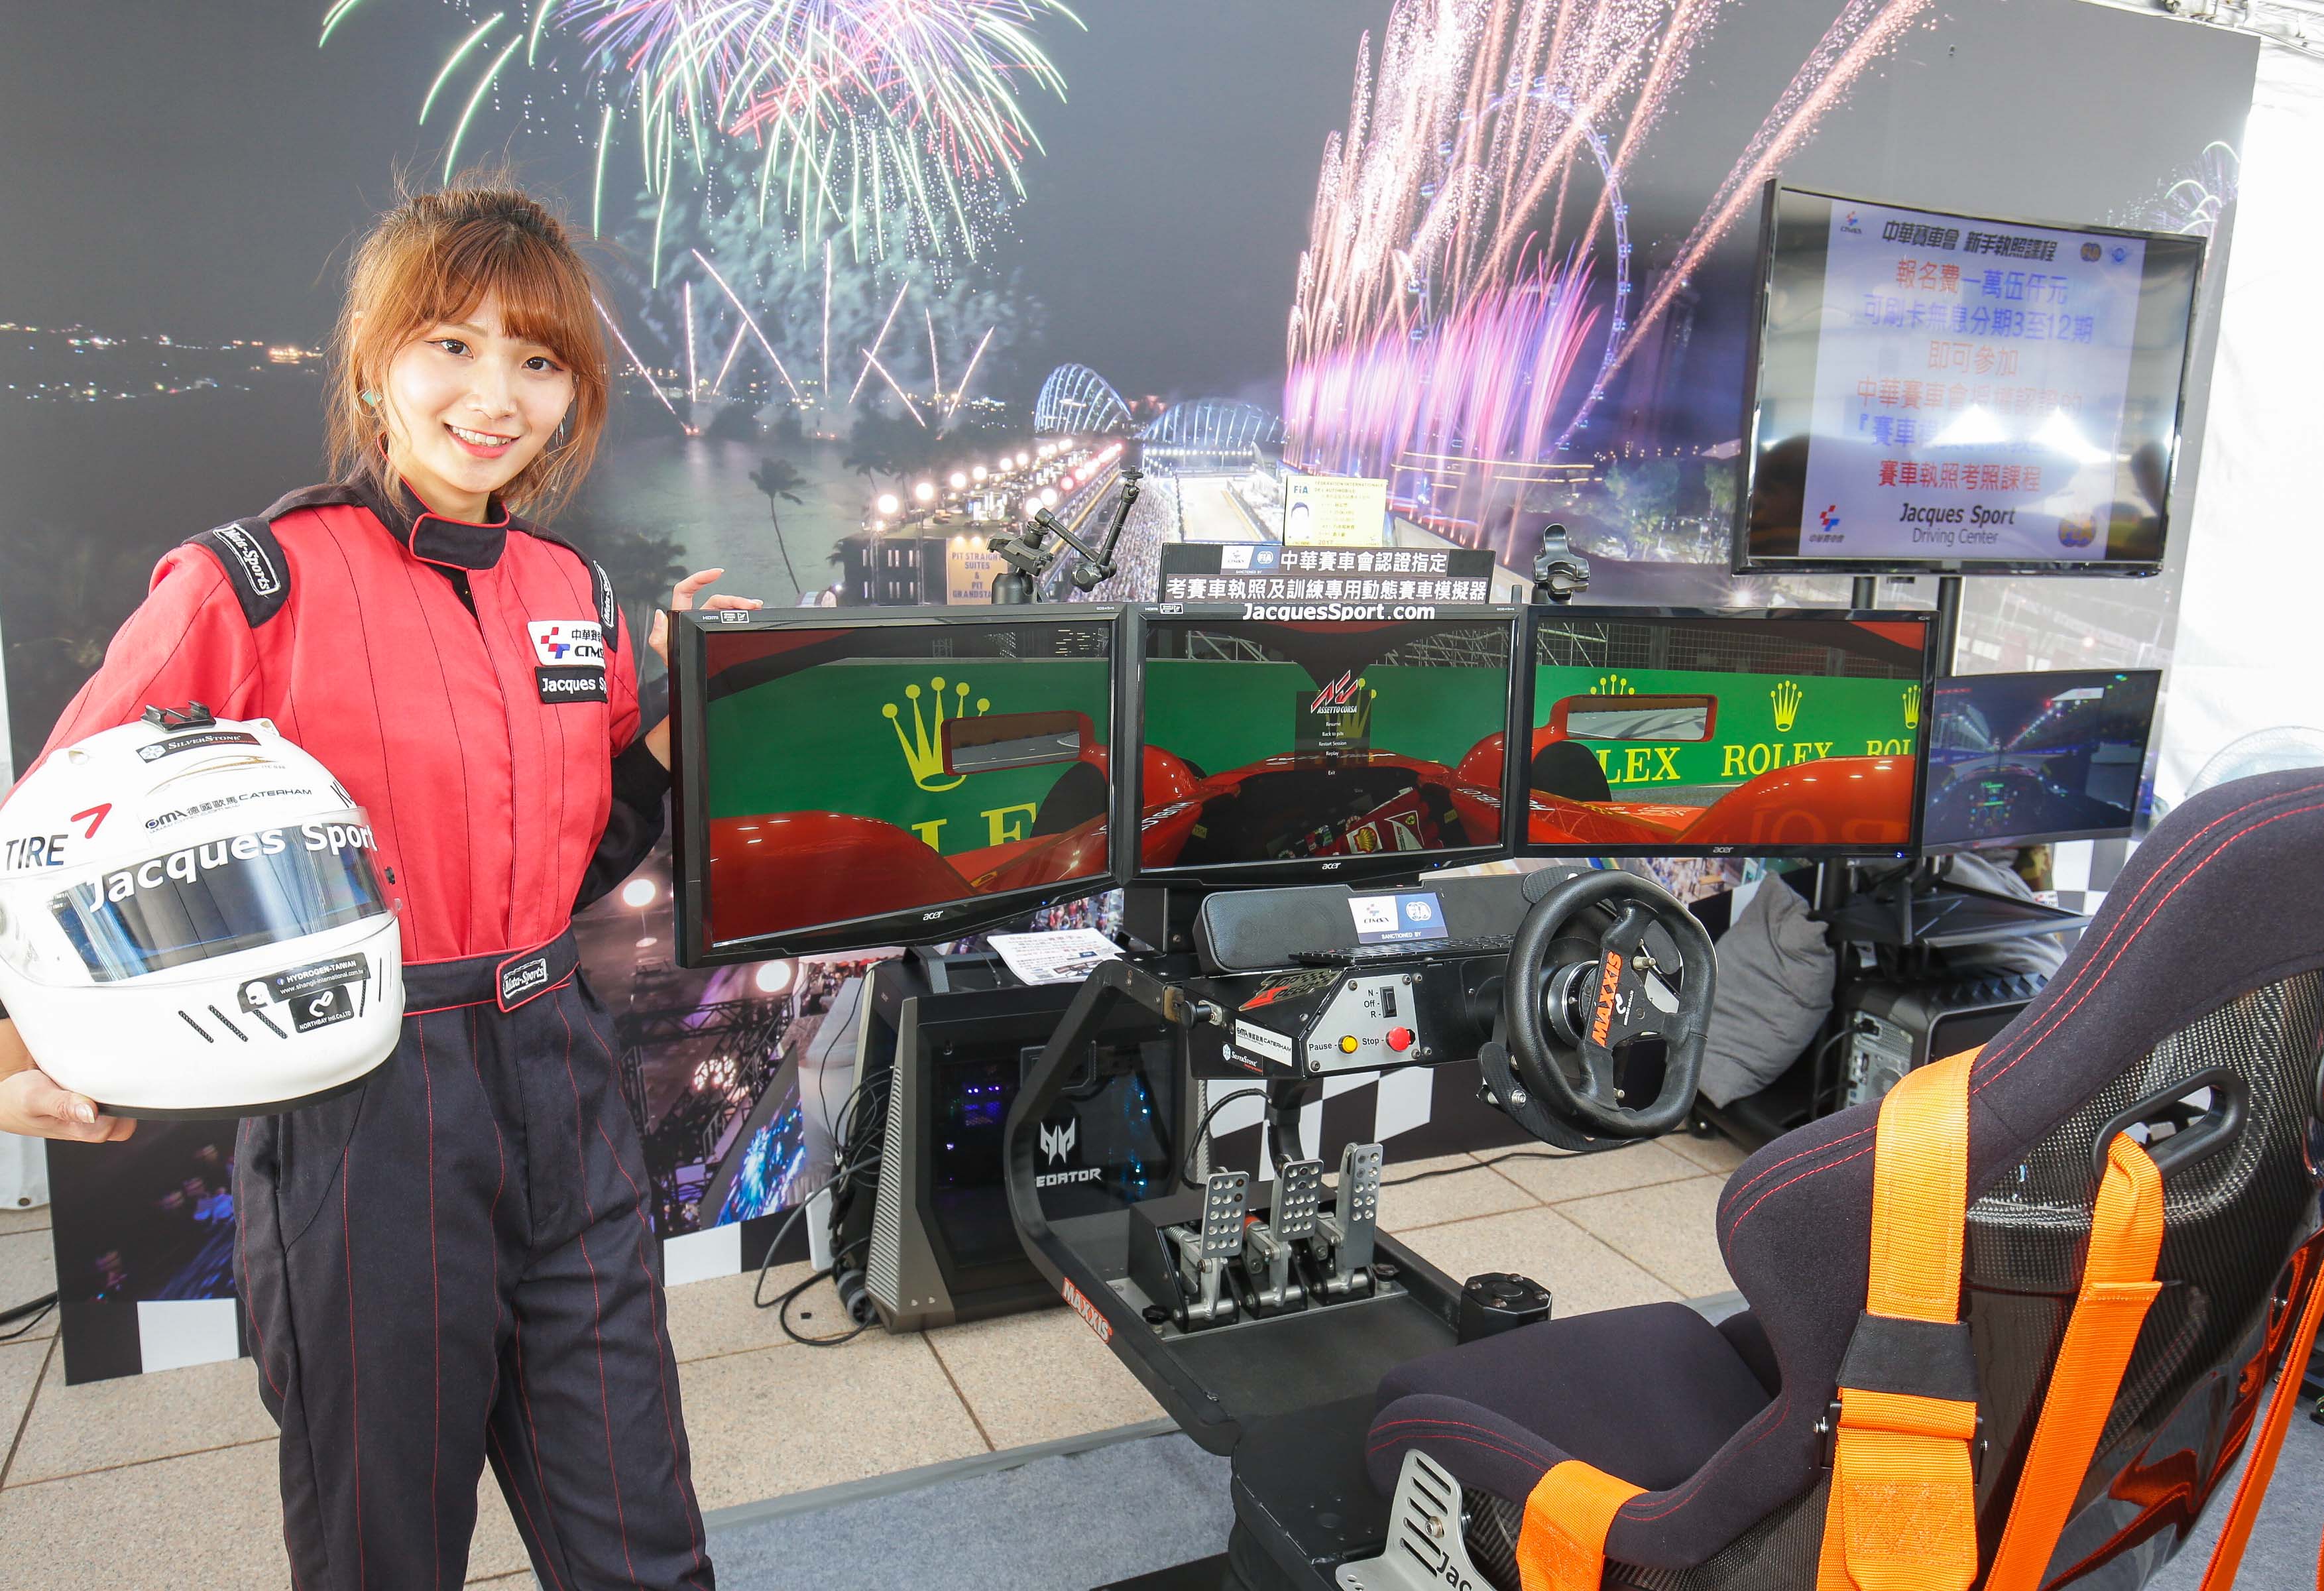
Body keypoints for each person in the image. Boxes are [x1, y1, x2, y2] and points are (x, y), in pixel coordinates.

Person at [0, 178, 746, 1589]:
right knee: (382, 1547)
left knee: (644, 1540)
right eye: (451, 345)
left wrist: (678, 718)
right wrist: (8, 1052)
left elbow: (581, 859)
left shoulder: (573, 595)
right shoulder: (251, 584)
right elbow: (46, 835)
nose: (496, 396)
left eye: (538, 360)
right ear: (373, 365)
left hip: (564, 1076)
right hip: (362, 1103)